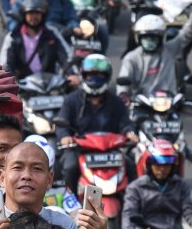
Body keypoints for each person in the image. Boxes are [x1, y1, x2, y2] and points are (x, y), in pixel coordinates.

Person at [56, 54, 138, 194]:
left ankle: (132, 206)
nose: (94, 79)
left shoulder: (117, 102)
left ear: (107, 77)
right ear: (83, 75)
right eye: (90, 75)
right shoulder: (71, 100)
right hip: (79, 149)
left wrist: (130, 133)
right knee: (70, 167)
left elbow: (125, 123)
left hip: (110, 151)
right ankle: (70, 205)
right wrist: (65, 136)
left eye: (100, 75)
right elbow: (62, 124)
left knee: (130, 165)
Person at [117, 8, 192, 101]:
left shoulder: (169, 49)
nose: (149, 42)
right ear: (138, 38)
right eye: (146, 38)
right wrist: (123, 94)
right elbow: (124, 78)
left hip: (167, 102)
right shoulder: (131, 58)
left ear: (161, 38)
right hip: (141, 103)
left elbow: (186, 34)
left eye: (153, 38)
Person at [0, 0, 77, 83]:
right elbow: (5, 64)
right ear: (24, 15)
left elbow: (66, 57)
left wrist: (72, 74)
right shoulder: (13, 37)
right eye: (30, 13)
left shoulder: (52, 34)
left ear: (43, 15)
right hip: (23, 88)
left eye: (37, 13)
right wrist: (9, 81)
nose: (34, 17)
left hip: (50, 85)